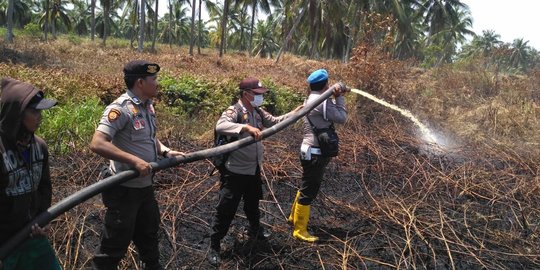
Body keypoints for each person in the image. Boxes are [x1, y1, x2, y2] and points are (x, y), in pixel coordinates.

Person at [90, 60, 183, 270]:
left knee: (149, 235)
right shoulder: (120, 109)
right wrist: (135, 161)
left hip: (145, 188)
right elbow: (97, 143)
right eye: (154, 79)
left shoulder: (148, 106)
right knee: (114, 244)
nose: (157, 83)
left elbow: (148, 138)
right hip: (124, 192)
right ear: (140, 82)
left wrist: (166, 151)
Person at [208, 77, 302, 265]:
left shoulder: (258, 111)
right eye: (257, 94)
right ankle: (214, 245)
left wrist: (297, 111)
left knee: (253, 203)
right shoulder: (234, 111)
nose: (260, 97)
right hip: (235, 171)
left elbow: (275, 121)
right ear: (246, 94)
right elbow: (220, 126)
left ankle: (255, 229)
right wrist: (244, 127)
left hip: (253, 169)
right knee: (226, 208)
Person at [0, 78, 62, 269]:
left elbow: (44, 187)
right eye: (34, 111)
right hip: (4, 243)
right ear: (16, 115)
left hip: (31, 234)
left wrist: (42, 220)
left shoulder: (39, 147)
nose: (40, 116)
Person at [288, 69, 348, 242]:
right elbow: (342, 117)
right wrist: (339, 97)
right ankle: (299, 230)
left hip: (308, 150)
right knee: (309, 191)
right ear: (326, 84)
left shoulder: (311, 98)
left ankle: (294, 218)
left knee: (306, 185)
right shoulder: (322, 102)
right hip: (315, 152)